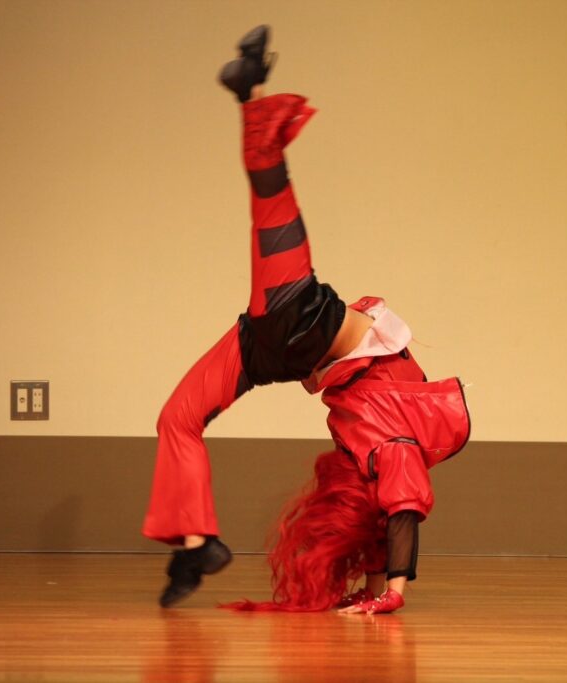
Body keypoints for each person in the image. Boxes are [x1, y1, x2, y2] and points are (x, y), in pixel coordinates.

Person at [143, 26, 470, 614]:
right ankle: (195, 544)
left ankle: (249, 92)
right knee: (177, 419)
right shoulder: (387, 442)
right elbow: (387, 516)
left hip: (298, 321)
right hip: (277, 343)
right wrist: (379, 590)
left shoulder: (391, 447)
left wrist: (392, 594)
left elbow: (399, 513)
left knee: (270, 197)